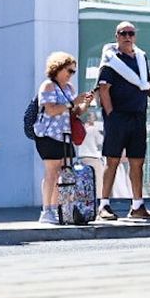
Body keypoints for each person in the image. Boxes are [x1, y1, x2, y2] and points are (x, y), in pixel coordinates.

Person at [95, 21, 150, 221]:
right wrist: (111, 115)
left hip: (138, 117)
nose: (127, 36)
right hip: (118, 118)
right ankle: (104, 205)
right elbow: (103, 89)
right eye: (123, 33)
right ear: (117, 36)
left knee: (137, 162)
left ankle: (137, 206)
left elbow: (146, 85)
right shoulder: (110, 59)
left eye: (131, 33)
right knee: (112, 160)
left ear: (135, 36)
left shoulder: (141, 58)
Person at [34, 52, 94, 225]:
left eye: (73, 71)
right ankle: (47, 210)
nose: (71, 74)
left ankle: (57, 209)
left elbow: (74, 112)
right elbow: (51, 110)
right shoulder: (48, 86)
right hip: (49, 135)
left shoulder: (69, 88)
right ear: (58, 68)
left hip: (65, 136)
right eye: (69, 70)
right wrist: (73, 102)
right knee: (51, 172)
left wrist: (85, 103)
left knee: (61, 173)